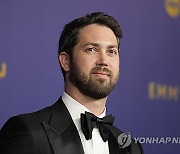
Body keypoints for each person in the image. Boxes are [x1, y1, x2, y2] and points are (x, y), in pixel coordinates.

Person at [0, 12, 143, 154]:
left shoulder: (131, 148)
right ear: (66, 61)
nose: (104, 61)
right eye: (91, 49)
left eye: (111, 51)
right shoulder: (28, 132)